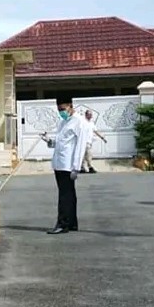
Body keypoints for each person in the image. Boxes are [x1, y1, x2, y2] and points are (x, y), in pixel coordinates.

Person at [41, 99, 90, 234]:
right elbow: (59, 142)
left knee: (65, 195)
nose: (61, 112)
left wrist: (76, 167)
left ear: (70, 106)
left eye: (63, 109)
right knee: (69, 194)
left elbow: (80, 146)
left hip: (69, 164)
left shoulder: (79, 122)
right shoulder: (63, 122)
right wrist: (49, 140)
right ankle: (72, 222)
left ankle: (63, 223)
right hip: (59, 162)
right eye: (59, 110)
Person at [81, 109, 107, 173]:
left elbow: (95, 131)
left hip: (89, 142)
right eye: (89, 114)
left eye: (91, 115)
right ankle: (89, 167)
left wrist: (102, 137)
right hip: (84, 141)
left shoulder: (91, 123)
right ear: (86, 115)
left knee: (87, 155)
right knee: (88, 154)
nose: (90, 116)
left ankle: (84, 168)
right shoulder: (83, 123)